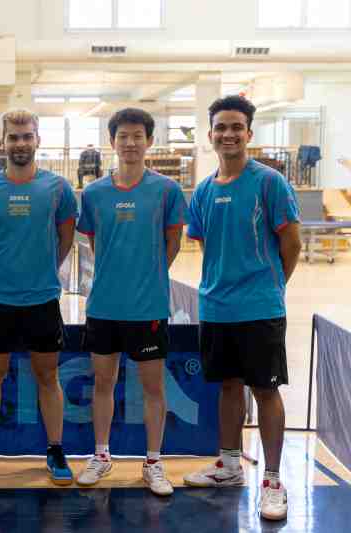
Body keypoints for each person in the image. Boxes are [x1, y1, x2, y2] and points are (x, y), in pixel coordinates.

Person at [183, 95, 302, 521]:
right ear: (210, 134)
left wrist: (269, 288)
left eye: (237, 127)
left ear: (249, 134)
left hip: (260, 308)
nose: (228, 134)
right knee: (228, 387)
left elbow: (292, 244)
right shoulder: (201, 191)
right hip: (216, 308)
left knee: (265, 390)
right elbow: (205, 246)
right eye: (221, 127)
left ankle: (272, 480)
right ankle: (229, 466)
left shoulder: (269, 183)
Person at [75, 108, 187, 496]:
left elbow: (173, 243)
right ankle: (101, 455)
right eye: (123, 136)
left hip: (148, 308)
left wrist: (148, 274)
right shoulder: (93, 194)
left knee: (153, 388)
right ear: (112, 142)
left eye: (138, 135)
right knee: (103, 383)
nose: (130, 142)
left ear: (149, 141)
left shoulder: (167, 191)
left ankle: (154, 462)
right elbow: (94, 243)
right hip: (104, 306)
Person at [0, 108, 78, 485]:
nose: (20, 143)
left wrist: (43, 269)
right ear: (3, 142)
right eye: (13, 137)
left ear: (37, 140)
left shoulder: (59, 189)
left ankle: (55, 449)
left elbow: (65, 239)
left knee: (48, 376)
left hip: (42, 299)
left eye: (26, 136)